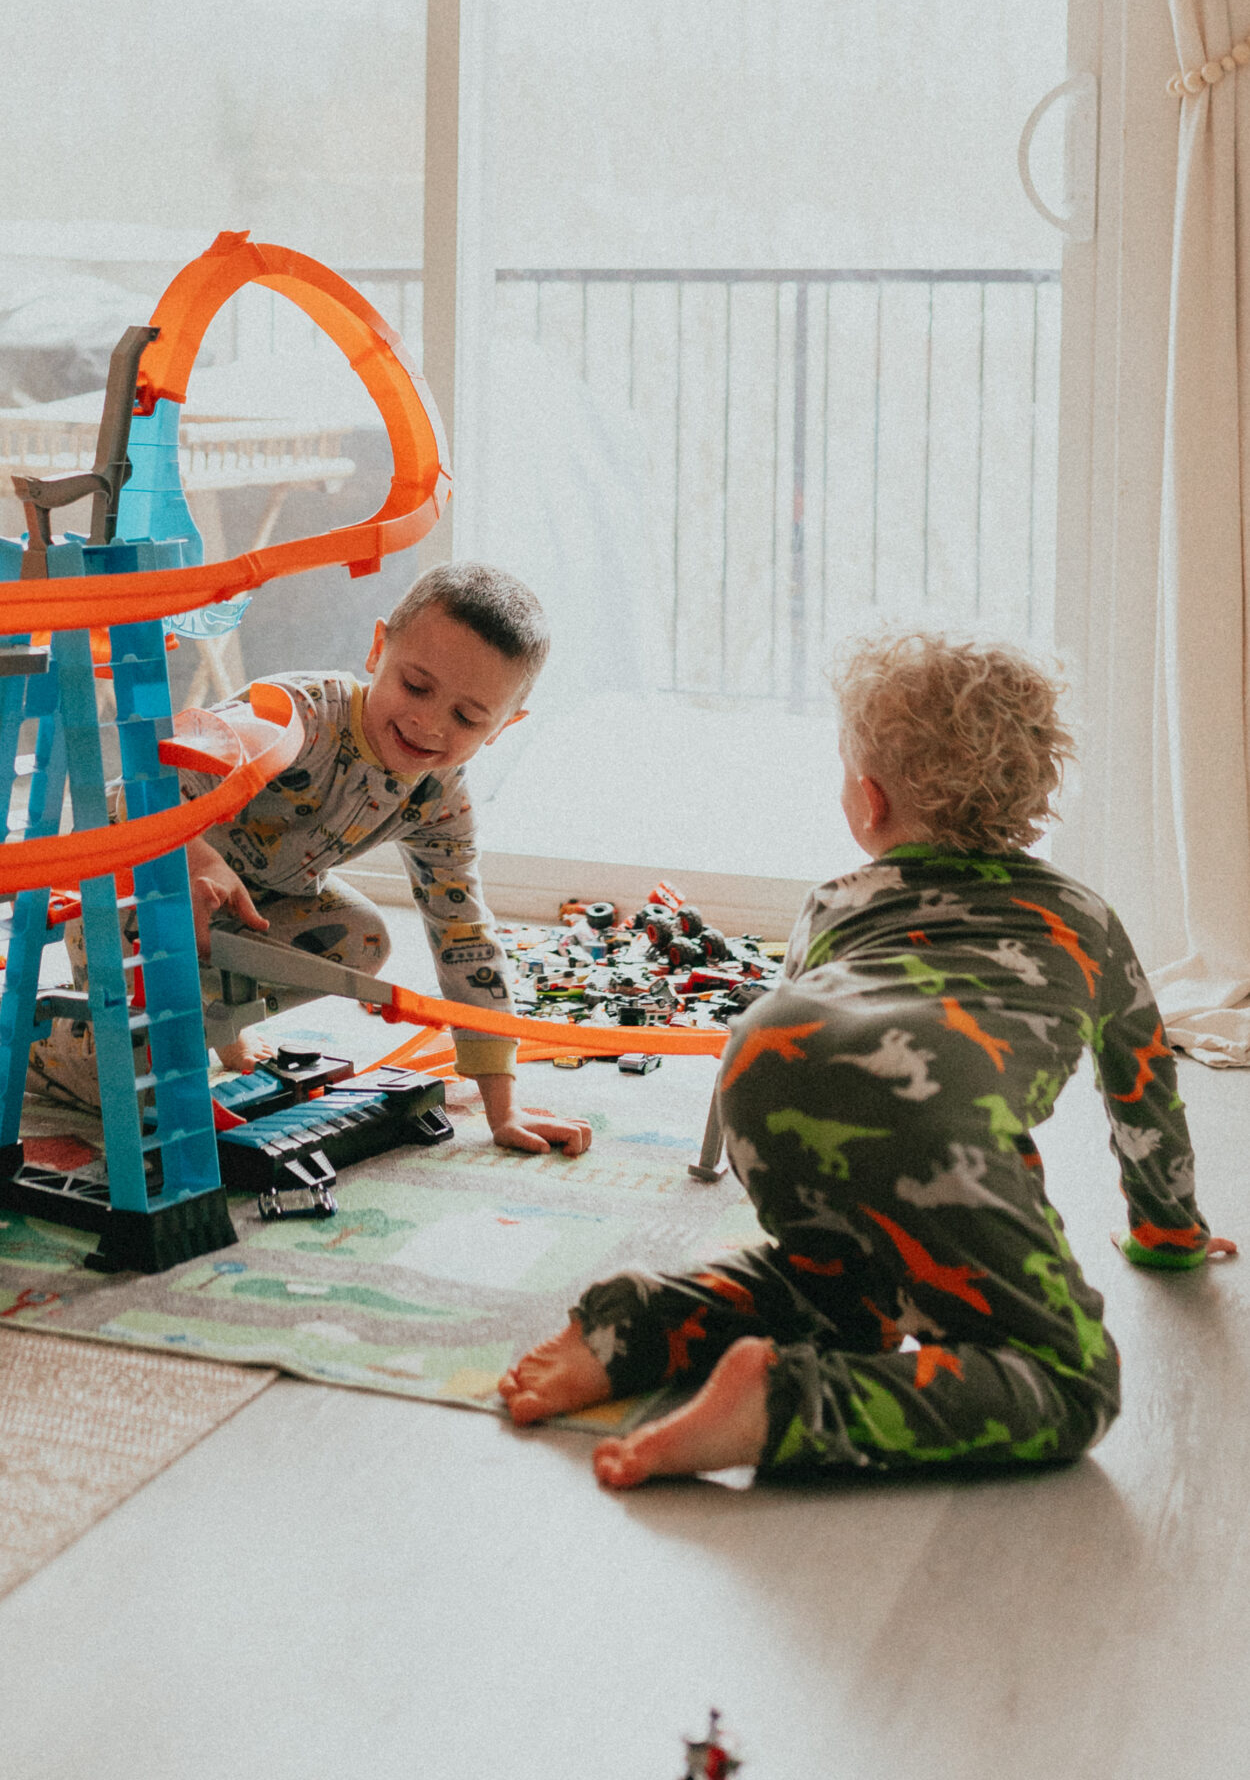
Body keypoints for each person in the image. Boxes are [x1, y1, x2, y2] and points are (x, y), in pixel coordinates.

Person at [498, 631, 1236, 1482]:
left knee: (848, 1289)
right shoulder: (1085, 916)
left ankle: (638, 1323)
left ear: (869, 801)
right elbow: (1143, 1086)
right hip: (930, 1105)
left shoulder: (836, 900)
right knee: (1072, 1382)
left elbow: (786, 1021)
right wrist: (1168, 1230)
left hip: (762, 1068)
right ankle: (787, 1406)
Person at [0, 561, 590, 1160]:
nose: (430, 724)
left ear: (505, 727)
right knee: (140, 1082)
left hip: (241, 915)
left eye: (468, 717)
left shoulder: (442, 800)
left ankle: (205, 1029)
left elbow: (466, 939)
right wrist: (197, 857)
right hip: (134, 896)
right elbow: (134, 793)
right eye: (416, 686)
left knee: (363, 938)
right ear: (378, 652)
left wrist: (501, 1110)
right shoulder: (293, 717)